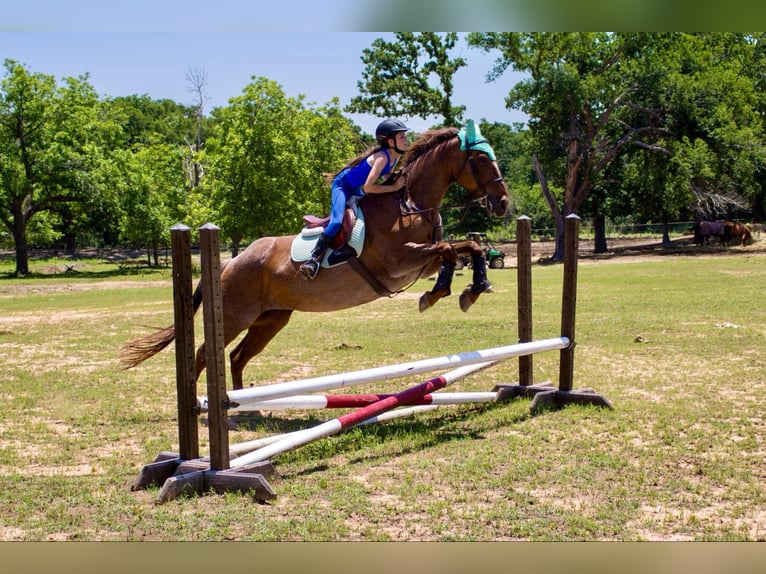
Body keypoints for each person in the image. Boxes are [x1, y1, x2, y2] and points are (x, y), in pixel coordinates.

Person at [300, 118, 411, 280]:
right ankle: (313, 259)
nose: (406, 140)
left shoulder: (394, 158)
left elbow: (386, 175)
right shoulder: (382, 157)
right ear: (390, 141)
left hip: (355, 188)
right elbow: (369, 188)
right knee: (337, 221)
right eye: (402, 137)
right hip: (342, 186)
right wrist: (394, 188)